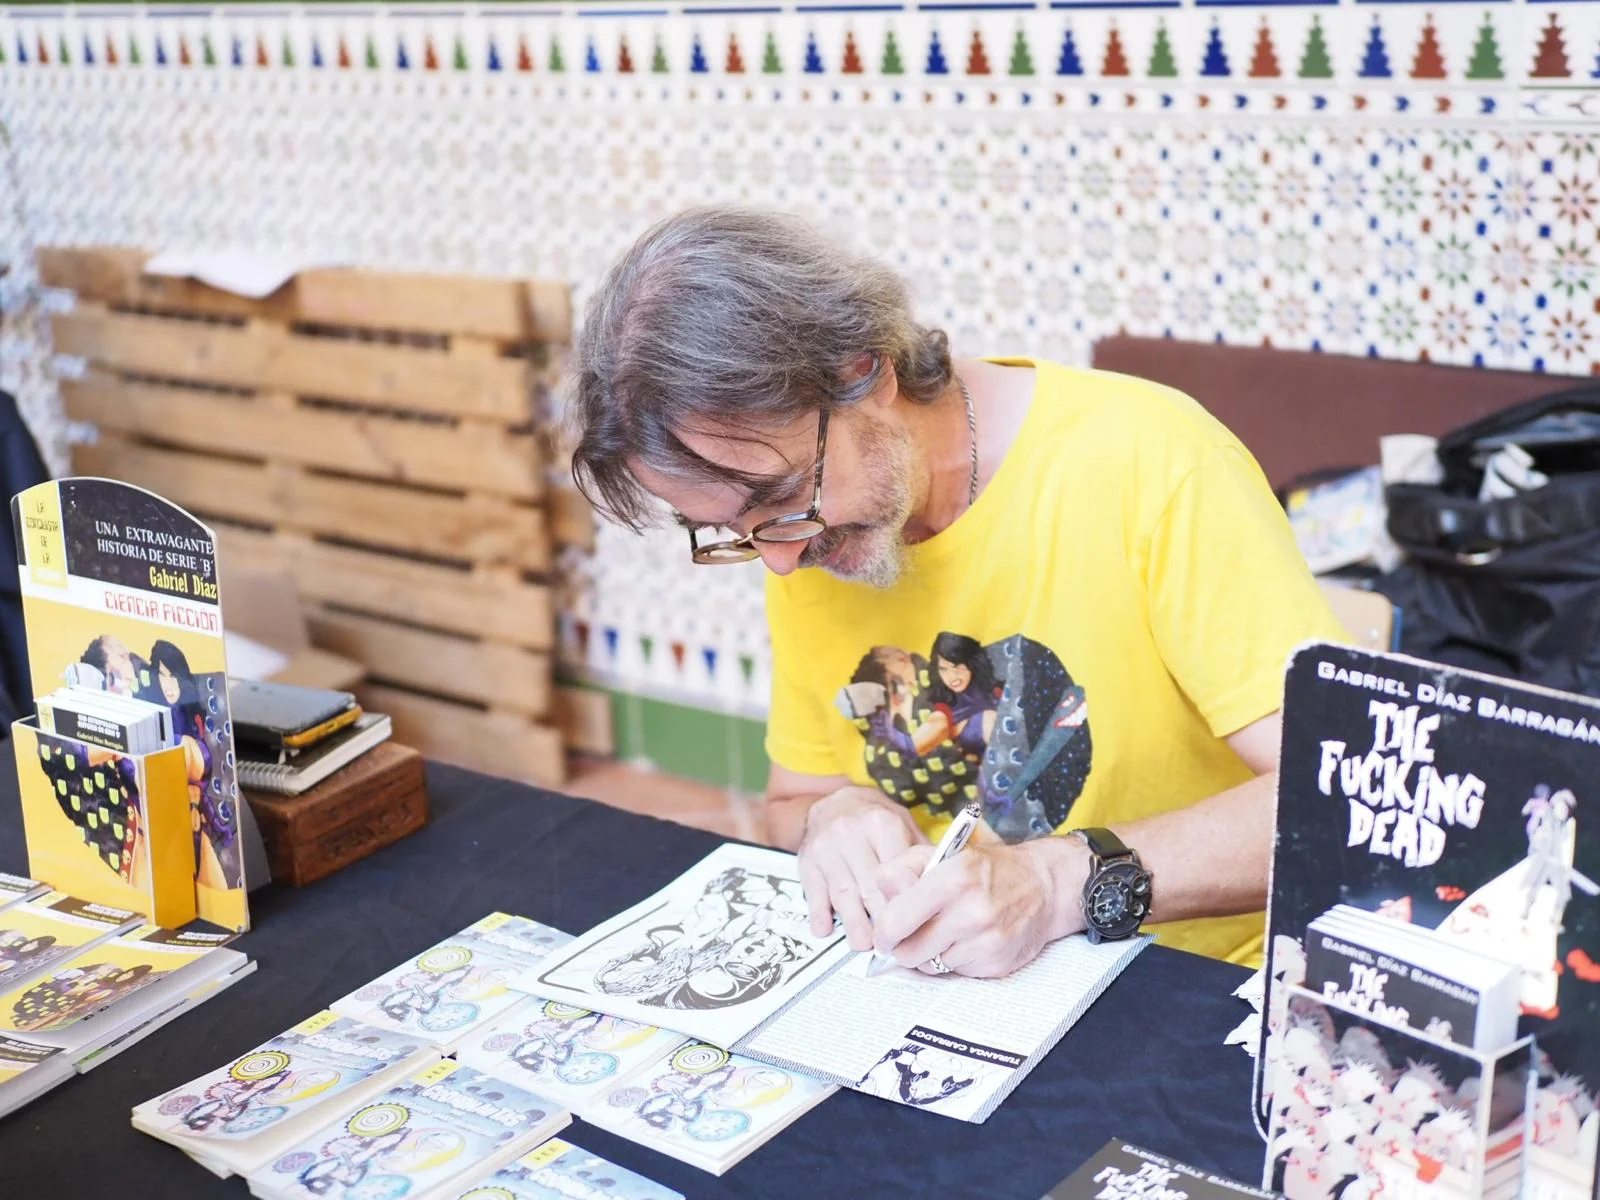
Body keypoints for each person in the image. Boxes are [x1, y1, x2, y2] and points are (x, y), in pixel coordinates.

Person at [566, 205, 1349, 974]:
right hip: (952, 988)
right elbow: (796, 796)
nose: (776, 562)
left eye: (779, 499)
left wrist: (1056, 882)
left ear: (861, 370)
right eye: (737, 531)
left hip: (1187, 981)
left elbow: (1340, 800)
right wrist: (837, 818)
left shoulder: (1154, 462)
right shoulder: (810, 537)